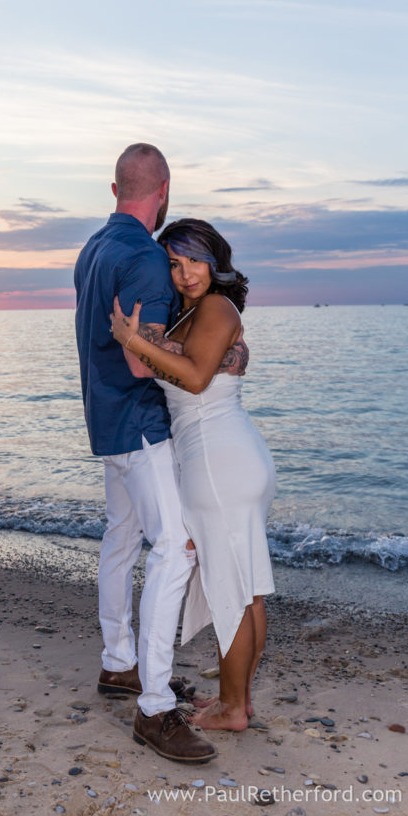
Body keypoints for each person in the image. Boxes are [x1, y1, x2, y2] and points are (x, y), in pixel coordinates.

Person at [74, 146, 216, 762]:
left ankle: (118, 664)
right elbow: (140, 358)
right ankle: (154, 706)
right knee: (176, 549)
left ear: (116, 190)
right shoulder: (145, 259)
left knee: (122, 538)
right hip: (137, 424)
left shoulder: (93, 249)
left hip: (105, 419)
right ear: (163, 189)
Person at [111, 217, 275, 731]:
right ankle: (238, 701)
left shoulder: (216, 307)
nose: (186, 274)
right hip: (225, 456)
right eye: (175, 263)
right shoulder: (189, 315)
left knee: (232, 589)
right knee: (244, 587)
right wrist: (143, 340)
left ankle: (231, 710)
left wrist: (132, 341)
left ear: (216, 261)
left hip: (218, 461)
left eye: (196, 261)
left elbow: (198, 378)